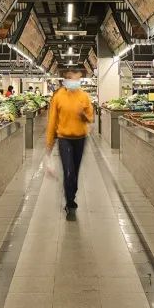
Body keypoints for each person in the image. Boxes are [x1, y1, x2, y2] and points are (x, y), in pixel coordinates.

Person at [45, 69, 94, 221]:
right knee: (68, 170)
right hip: (64, 138)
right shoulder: (58, 97)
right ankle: (70, 203)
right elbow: (52, 121)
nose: (75, 81)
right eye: (73, 78)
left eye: (78, 78)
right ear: (66, 80)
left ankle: (72, 192)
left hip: (80, 139)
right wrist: (49, 143)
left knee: (75, 171)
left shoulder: (84, 96)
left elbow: (90, 118)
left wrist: (83, 115)